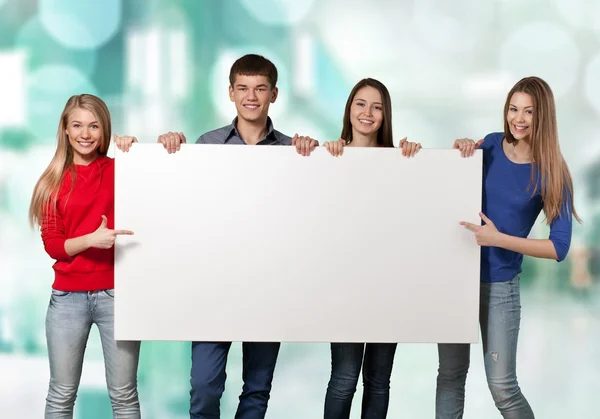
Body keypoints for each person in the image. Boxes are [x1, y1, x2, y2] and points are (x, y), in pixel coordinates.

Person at [156, 54, 318, 419]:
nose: (251, 96)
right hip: (215, 284)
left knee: (257, 390)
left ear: (274, 94)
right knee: (204, 387)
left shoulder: (295, 150)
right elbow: (182, 202)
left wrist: (315, 155)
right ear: (230, 93)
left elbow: (309, 215)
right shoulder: (205, 144)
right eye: (243, 88)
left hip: (268, 285)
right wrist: (169, 151)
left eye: (260, 88)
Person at [436, 76, 581, 418]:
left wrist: (498, 239)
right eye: (513, 109)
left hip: (500, 287)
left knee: (503, 388)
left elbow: (559, 247)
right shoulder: (488, 145)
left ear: (543, 116)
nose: (518, 118)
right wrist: (460, 151)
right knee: (451, 376)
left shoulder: (553, 172)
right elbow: (451, 187)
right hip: (457, 278)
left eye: (529, 112)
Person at [29, 94, 141, 418]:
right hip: (67, 299)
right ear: (65, 129)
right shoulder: (52, 181)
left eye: (94, 126)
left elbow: (156, 188)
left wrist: (136, 154)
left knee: (124, 395)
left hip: (117, 295)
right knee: (61, 394)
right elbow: (53, 245)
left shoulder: (121, 170)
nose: (85, 134)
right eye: (77, 125)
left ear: (104, 130)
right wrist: (92, 239)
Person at [318, 77, 420, 419]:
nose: (368, 112)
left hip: (387, 286)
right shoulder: (330, 158)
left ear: (385, 115)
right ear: (349, 110)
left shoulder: (400, 161)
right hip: (345, 287)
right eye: (360, 103)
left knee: (378, 381)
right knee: (344, 378)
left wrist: (414, 161)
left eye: (377, 106)